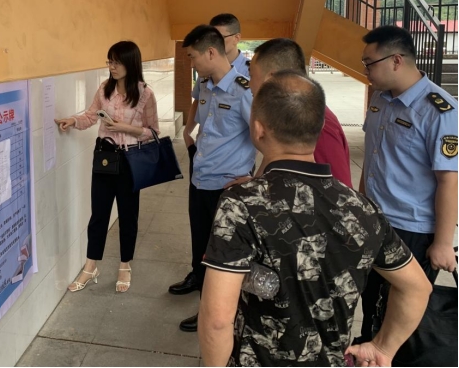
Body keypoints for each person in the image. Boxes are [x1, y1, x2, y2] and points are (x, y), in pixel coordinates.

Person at [198, 70, 432, 367]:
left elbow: (217, 320)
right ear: (320, 126)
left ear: (257, 129)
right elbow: (417, 287)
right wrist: (383, 348)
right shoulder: (362, 209)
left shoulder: (241, 204)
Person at [356, 25, 458, 343]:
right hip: (375, 222)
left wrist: (443, 243)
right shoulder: (379, 99)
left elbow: (449, 180)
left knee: (401, 316)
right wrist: (360, 207)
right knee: (371, 302)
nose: (366, 70)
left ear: (396, 60)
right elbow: (372, 159)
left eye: (369, 63)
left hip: (411, 231)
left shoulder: (439, 111)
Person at [55, 41, 159, 294]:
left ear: (130, 63)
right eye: (109, 61)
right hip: (104, 156)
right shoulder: (104, 89)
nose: (112, 67)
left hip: (131, 160)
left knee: (128, 215)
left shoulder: (145, 94)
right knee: (99, 214)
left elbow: (153, 132)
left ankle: (125, 265)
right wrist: (73, 120)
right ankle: (91, 266)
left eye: (116, 62)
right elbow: (91, 116)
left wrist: (126, 128)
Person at [170, 25, 256, 331]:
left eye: (192, 56)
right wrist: (188, 134)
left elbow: (265, 137)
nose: (191, 63)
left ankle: (219, 313)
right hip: (200, 179)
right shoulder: (205, 85)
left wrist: (254, 177)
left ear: (210, 53)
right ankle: (204, 299)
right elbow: (203, 122)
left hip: (227, 187)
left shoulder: (243, 90)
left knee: (223, 255)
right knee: (201, 244)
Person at [249, 38, 352, 187]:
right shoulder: (283, 116)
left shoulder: (312, 123)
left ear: (271, 78)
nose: (249, 84)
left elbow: (339, 193)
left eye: (251, 75)